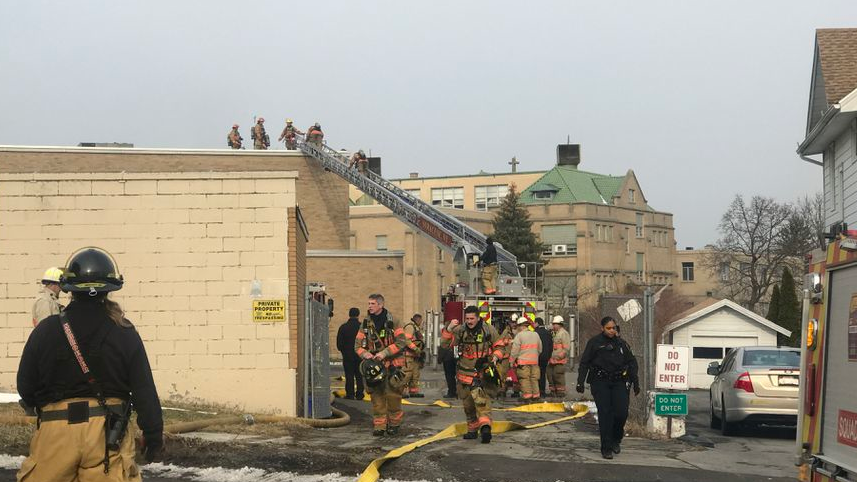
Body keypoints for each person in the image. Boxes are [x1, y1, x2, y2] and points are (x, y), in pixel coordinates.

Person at [16, 247, 164, 481]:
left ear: (69, 289)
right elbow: (144, 389)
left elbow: (25, 385)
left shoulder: (46, 330)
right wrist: (153, 436)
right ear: (110, 289)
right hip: (107, 436)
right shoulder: (124, 331)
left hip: (55, 432)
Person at [576, 316, 640, 459]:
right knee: (605, 414)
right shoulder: (595, 343)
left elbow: (632, 363)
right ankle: (606, 447)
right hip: (600, 382)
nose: (612, 331)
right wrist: (580, 382)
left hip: (619, 382)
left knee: (621, 413)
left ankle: (616, 439)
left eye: (614, 328)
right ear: (602, 328)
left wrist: (636, 382)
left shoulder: (622, 344)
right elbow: (585, 363)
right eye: (608, 328)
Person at [440, 305, 504, 443]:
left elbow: (500, 346)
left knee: (482, 404)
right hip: (463, 375)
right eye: (467, 318)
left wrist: (495, 356)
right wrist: (448, 329)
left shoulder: (488, 330)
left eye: (472, 318)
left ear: (478, 317)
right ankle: (472, 431)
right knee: (468, 406)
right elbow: (445, 345)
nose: (469, 321)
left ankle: (486, 428)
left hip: (481, 374)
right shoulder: (460, 330)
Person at [354, 293, 409, 436]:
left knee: (393, 398)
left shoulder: (394, 321)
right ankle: (379, 426)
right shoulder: (366, 323)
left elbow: (401, 342)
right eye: (369, 304)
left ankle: (394, 425)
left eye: (372, 304)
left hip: (392, 366)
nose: (369, 306)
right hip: (374, 368)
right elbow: (357, 346)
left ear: (381, 305)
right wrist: (365, 354)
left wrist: (384, 353)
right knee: (376, 398)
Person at [510, 316, 542, 401]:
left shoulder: (519, 336)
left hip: (523, 363)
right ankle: (536, 395)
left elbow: (514, 351)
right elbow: (540, 349)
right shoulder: (535, 334)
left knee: (524, 379)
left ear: (520, 326)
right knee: (534, 379)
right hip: (535, 362)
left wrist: (511, 361)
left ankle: (527, 396)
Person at [336, 307, 364, 400]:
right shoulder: (361, 327)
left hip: (347, 355)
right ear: (358, 315)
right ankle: (360, 394)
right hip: (360, 355)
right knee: (359, 375)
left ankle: (350, 394)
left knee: (349, 375)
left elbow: (339, 344)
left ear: (349, 314)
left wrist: (344, 351)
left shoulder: (343, 327)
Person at [401, 314, 425, 398]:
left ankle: (413, 391)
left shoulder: (416, 328)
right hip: (407, 355)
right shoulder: (410, 327)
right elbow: (407, 340)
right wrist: (416, 349)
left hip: (415, 356)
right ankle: (401, 392)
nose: (421, 323)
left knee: (415, 374)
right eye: (421, 321)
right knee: (407, 374)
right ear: (418, 320)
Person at [548, 315, 571, 398]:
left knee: (558, 375)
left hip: (559, 360)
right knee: (550, 375)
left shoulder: (563, 333)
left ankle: (560, 392)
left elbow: (567, 348)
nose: (553, 326)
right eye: (553, 324)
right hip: (552, 359)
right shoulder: (555, 333)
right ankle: (553, 391)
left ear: (560, 324)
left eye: (555, 324)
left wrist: (559, 356)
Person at [534, 317, 553, 398]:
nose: (534, 325)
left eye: (534, 323)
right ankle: (542, 391)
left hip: (537, 357)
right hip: (545, 357)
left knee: (536, 374)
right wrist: (548, 356)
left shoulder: (535, 333)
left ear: (537, 323)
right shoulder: (548, 333)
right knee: (543, 374)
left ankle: (537, 391)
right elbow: (550, 346)